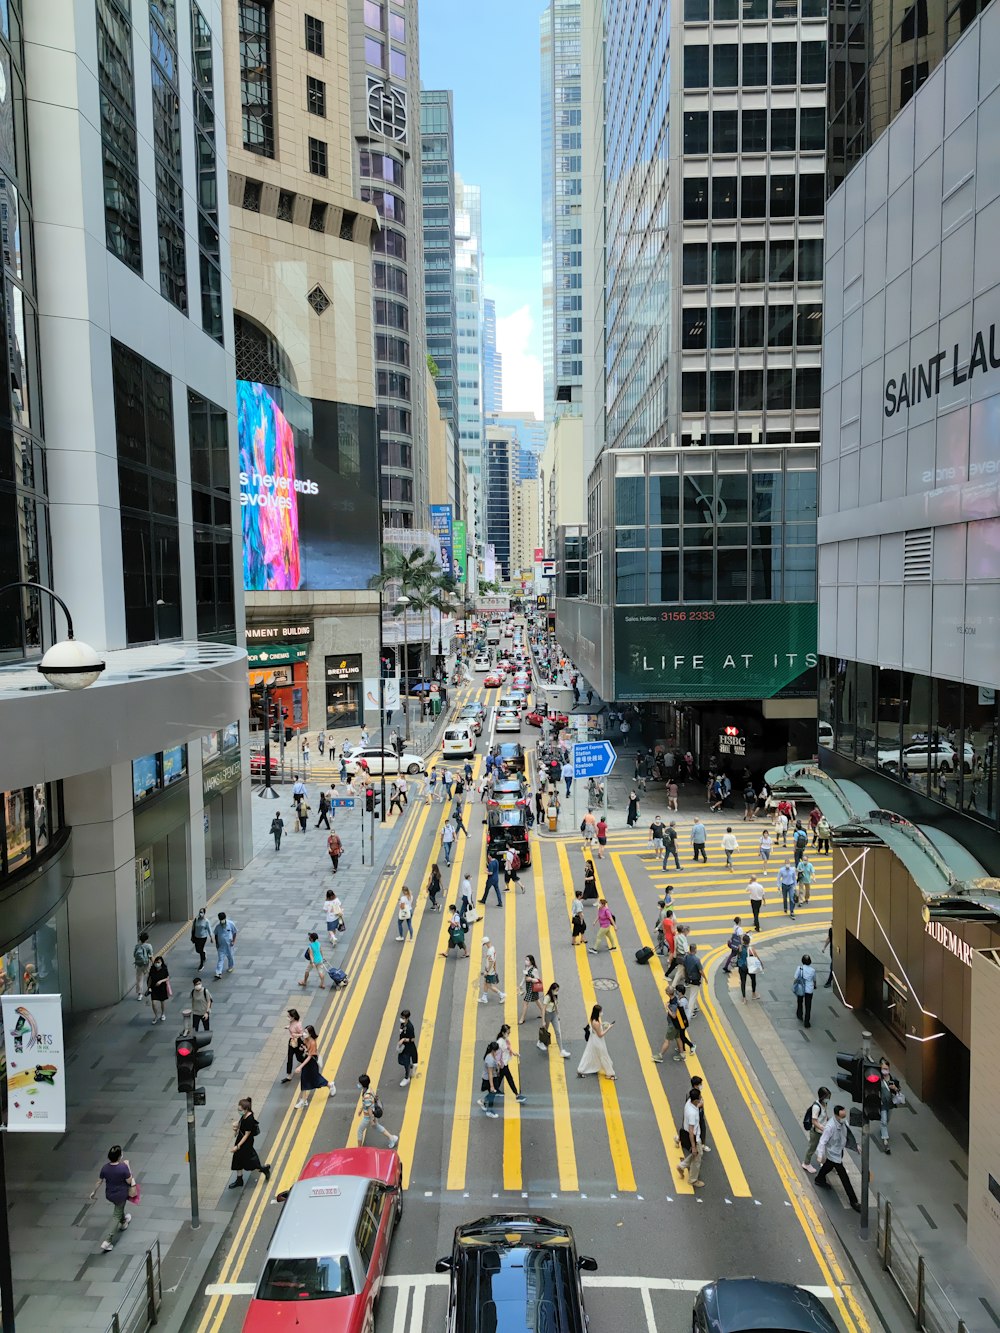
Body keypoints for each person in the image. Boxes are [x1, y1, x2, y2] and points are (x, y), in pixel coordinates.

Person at [814, 1105, 860, 1211]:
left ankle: (819, 1179)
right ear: (836, 1115)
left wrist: (855, 1145)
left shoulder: (843, 1122)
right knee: (844, 1177)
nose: (844, 1119)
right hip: (833, 1153)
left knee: (828, 1165)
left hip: (839, 1151)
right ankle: (854, 1201)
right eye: (842, 1116)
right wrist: (820, 1155)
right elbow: (822, 1141)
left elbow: (848, 1135)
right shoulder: (830, 1127)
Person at [90, 1145, 135, 1252]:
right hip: (121, 1195)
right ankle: (107, 1241)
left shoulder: (105, 1168)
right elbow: (129, 1181)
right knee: (116, 1215)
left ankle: (124, 1221)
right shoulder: (123, 1167)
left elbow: (99, 1181)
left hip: (110, 1194)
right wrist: (128, 1166)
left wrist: (93, 1192)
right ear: (120, 1156)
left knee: (119, 1209)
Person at [230, 1096, 271, 1188]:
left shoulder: (250, 1119)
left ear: (246, 1109)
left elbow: (247, 1135)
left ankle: (263, 1169)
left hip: (246, 1142)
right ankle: (239, 1180)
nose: (238, 1111)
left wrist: (238, 1146)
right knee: (237, 1159)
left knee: (250, 1160)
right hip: (240, 1139)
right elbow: (241, 1124)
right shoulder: (244, 1115)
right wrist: (236, 1127)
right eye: (238, 1109)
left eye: (240, 1110)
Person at [295, 1025, 336, 1107]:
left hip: (311, 1063)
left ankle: (330, 1085)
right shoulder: (306, 1039)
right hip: (307, 1062)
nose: (304, 1033)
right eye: (304, 1031)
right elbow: (300, 1036)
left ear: (310, 1034)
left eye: (306, 1032)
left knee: (316, 1079)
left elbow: (310, 1056)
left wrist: (300, 1066)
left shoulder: (313, 1043)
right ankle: (303, 1100)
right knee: (304, 1079)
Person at [576, 1004, 616, 1080]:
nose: (602, 1012)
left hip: (593, 1040)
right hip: (598, 1041)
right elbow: (600, 1034)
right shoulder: (596, 1023)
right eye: (601, 1011)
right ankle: (610, 1073)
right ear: (597, 1012)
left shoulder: (593, 1019)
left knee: (588, 1055)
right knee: (603, 1055)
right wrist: (609, 1028)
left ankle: (580, 1070)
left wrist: (603, 1026)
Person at [356, 1072, 397, 1145]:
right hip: (372, 1113)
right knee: (377, 1126)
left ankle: (359, 1149)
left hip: (368, 1116)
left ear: (362, 1084)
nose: (358, 1084)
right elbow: (368, 1103)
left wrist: (371, 1120)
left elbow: (369, 1109)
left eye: (359, 1083)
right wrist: (361, 1109)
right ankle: (392, 1138)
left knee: (360, 1131)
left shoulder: (366, 1096)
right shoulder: (369, 1090)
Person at [677, 1089, 706, 1188]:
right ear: (696, 1100)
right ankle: (693, 1180)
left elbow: (694, 1108)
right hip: (694, 1137)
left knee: (698, 1154)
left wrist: (698, 1106)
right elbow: (691, 1131)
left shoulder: (689, 1103)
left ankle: (682, 1166)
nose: (701, 1099)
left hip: (687, 1133)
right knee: (697, 1158)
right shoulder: (692, 1114)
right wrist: (693, 1146)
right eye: (699, 1098)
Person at [802, 1086, 831, 1173]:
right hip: (816, 1131)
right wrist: (823, 1128)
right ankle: (806, 1163)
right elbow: (814, 1121)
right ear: (822, 1097)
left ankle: (824, 1161)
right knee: (812, 1147)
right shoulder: (816, 1107)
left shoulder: (824, 1104)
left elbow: (824, 1115)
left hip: (823, 1130)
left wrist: (828, 1121)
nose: (828, 1099)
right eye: (827, 1097)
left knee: (827, 1147)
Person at [539, 982, 571, 1056]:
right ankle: (540, 1042)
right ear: (552, 989)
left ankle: (561, 1050)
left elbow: (556, 1005)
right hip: (547, 1015)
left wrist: (557, 1014)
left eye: (558, 990)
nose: (557, 991)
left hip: (554, 1015)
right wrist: (543, 1020)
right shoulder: (547, 997)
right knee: (545, 1031)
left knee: (558, 1032)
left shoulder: (555, 996)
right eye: (556, 990)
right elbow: (543, 1009)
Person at [494, 1024, 525, 1101]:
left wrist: (514, 1053)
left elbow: (508, 1049)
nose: (509, 1034)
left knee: (500, 1078)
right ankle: (517, 1094)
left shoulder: (505, 1039)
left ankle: (495, 1090)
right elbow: (496, 1054)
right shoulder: (499, 1042)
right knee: (509, 1078)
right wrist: (498, 1063)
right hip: (502, 1064)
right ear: (503, 1033)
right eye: (508, 1033)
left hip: (504, 1063)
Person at [878, 1058, 902, 1153]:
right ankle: (885, 1140)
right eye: (883, 1068)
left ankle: (883, 1131)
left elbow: (899, 1091)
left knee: (887, 1119)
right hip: (882, 1104)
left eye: (886, 1068)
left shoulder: (893, 1080)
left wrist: (895, 1088)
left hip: (890, 1104)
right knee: (883, 1121)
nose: (885, 1070)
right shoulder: (878, 1079)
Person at [478, 1041, 503, 1118]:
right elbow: (490, 1074)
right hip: (489, 1079)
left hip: (492, 1077)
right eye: (496, 1050)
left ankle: (484, 1103)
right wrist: (492, 1086)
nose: (497, 1052)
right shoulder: (490, 1060)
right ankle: (489, 1111)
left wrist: (498, 1064)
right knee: (492, 1094)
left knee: (493, 1093)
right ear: (493, 1050)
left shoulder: (491, 1055)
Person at [519, 955, 545, 1025]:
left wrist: (531, 979)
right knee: (536, 1000)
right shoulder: (526, 968)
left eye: (527, 960)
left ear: (531, 961)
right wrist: (521, 985)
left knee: (525, 1002)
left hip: (532, 988)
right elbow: (524, 978)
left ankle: (522, 1018)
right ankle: (543, 1011)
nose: (526, 961)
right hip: (529, 988)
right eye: (525, 960)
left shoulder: (534, 970)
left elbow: (538, 980)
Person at [281, 1009, 305, 1083]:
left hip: (298, 1042)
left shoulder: (298, 1024)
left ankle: (307, 1064)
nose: (288, 1017)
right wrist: (288, 1027)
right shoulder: (291, 1022)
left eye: (289, 1016)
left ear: (293, 1017)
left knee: (299, 1058)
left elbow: (303, 1034)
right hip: (291, 1042)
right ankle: (289, 1075)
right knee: (289, 1058)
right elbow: (292, 1026)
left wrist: (296, 1035)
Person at [480, 938, 506, 1004]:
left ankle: (501, 995)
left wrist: (487, 971)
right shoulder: (492, 948)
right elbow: (491, 959)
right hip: (492, 970)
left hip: (490, 971)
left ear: (486, 943)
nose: (484, 945)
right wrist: (486, 956)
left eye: (484, 944)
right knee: (485, 983)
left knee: (489, 985)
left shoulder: (490, 951)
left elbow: (491, 961)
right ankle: (484, 997)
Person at [681, 943, 704, 1017]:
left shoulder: (686, 957)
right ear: (695, 950)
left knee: (692, 992)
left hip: (688, 978)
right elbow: (700, 971)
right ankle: (690, 1012)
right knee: (693, 995)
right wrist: (706, 979)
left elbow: (684, 968)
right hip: (695, 979)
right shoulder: (696, 960)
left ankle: (694, 1007)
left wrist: (685, 977)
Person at [794, 954, 817, 1026]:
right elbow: (814, 980)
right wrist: (815, 985)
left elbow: (795, 977)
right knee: (808, 1005)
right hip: (809, 989)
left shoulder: (799, 968)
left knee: (800, 1002)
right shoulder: (812, 970)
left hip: (801, 988)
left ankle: (799, 1014)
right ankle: (807, 1021)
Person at [397, 1010, 418, 1087]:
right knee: (400, 1061)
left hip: (408, 1048)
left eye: (403, 1018)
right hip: (402, 1046)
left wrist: (403, 1039)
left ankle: (407, 1078)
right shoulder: (402, 1024)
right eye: (401, 1017)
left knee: (405, 1062)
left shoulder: (410, 1027)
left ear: (407, 1018)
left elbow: (412, 1039)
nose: (401, 1019)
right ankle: (411, 1066)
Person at [737, 933, 760, 1001]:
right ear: (749, 941)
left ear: (743, 941)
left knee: (743, 981)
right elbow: (756, 956)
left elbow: (738, 955)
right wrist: (760, 963)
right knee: (753, 980)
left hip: (742, 967)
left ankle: (744, 998)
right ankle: (753, 994)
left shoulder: (740, 947)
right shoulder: (751, 948)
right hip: (750, 967)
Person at [214, 911, 237, 978]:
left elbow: (235, 932)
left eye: (222, 919)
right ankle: (218, 973)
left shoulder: (231, 924)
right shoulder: (218, 926)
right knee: (220, 959)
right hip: (221, 946)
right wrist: (217, 943)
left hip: (229, 945)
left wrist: (233, 941)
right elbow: (216, 934)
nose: (222, 921)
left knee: (230, 957)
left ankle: (231, 966)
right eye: (220, 920)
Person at [147, 954, 170, 1024]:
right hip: (154, 988)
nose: (157, 964)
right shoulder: (152, 969)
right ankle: (156, 1016)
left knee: (162, 1002)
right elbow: (150, 978)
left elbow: (167, 978)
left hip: (162, 988)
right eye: (156, 962)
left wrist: (161, 981)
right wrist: (148, 987)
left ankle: (163, 1013)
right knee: (153, 1003)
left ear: (161, 963)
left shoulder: (164, 969)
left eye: (158, 962)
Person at [133, 931, 152, 1000]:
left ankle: (139, 994)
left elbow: (134, 955)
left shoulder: (137, 946)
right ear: (147, 939)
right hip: (146, 964)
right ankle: (149, 989)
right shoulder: (148, 946)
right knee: (149, 976)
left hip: (139, 964)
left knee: (139, 979)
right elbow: (151, 956)